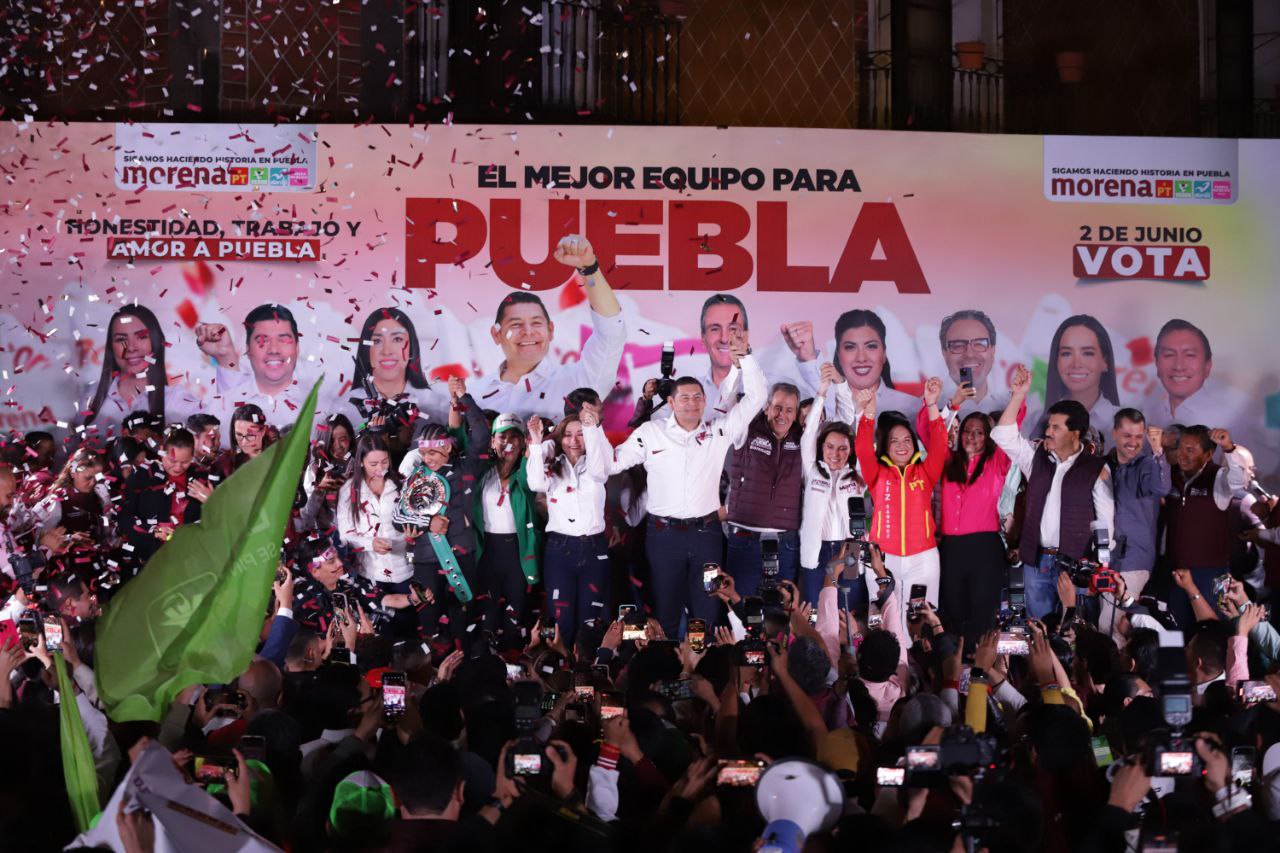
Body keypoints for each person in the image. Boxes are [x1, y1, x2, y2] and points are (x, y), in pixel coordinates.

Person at [608, 328, 765, 638]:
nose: (692, 403)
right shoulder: (651, 433)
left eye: (697, 397)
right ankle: (666, 675)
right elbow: (612, 463)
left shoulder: (718, 431)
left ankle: (701, 674)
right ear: (670, 401)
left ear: (706, 400)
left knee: (704, 614)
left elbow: (758, 397)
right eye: (684, 398)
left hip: (706, 536)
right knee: (665, 613)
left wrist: (746, 357)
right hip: (663, 537)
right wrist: (586, 432)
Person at [993, 364, 1115, 619]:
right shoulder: (1035, 458)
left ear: (1076, 434)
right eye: (1049, 426)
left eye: (1056, 428)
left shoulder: (1096, 468)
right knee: (1039, 628)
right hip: (1036, 562)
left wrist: (1099, 568)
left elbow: (1105, 522)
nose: (1048, 432)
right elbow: (1003, 435)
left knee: (1075, 631)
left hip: (1074, 565)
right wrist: (1018, 395)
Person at [471, 234, 625, 420]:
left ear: (550, 330)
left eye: (536, 323)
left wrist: (589, 267)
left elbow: (611, 332)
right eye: (516, 324)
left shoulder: (578, 381)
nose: (528, 331)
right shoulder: (475, 394)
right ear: (496, 334)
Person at [398, 378, 491, 643]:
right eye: (425, 453)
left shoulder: (466, 468)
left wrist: (464, 397)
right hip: (426, 560)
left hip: (461, 556)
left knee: (462, 620)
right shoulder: (416, 477)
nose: (429, 458)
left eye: (434, 452)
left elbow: (482, 435)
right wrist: (427, 524)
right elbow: (398, 517)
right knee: (428, 624)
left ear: (448, 447)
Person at [853, 378, 948, 624]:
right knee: (885, 620)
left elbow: (939, 446)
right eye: (894, 440)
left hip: (923, 558)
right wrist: (869, 412)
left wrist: (931, 405)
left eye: (907, 439)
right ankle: (890, 663)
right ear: (885, 445)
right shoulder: (877, 474)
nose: (902, 445)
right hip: (883, 558)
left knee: (920, 621)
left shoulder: (924, 473)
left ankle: (919, 660)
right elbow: (863, 449)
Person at [526, 405, 612, 646]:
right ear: (560, 437)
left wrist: (592, 429)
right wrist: (536, 441)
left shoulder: (597, 464)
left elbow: (600, 471)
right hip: (559, 549)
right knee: (560, 617)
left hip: (594, 548)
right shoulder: (552, 465)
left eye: (580, 434)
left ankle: (587, 668)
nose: (574, 441)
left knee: (590, 617)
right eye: (568, 434)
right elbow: (535, 483)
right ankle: (561, 669)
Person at [937, 406, 1020, 648]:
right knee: (951, 609)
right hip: (951, 549)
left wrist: (1017, 397)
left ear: (989, 437)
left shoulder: (997, 461)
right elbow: (932, 431)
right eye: (967, 431)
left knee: (983, 612)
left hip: (985, 548)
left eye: (979, 432)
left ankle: (982, 669)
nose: (972, 436)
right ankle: (953, 670)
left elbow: (1011, 428)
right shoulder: (948, 460)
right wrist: (948, 406)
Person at [1164, 425, 1251, 628]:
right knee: (1176, 632)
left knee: (1211, 633)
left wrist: (1229, 448)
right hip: (1177, 571)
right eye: (1181, 448)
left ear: (1209, 454)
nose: (1182, 455)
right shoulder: (1172, 476)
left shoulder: (1218, 477)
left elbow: (1238, 480)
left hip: (1211, 575)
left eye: (1190, 450)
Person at [724, 381, 805, 599]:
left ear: (796, 414)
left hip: (786, 542)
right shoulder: (746, 429)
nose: (782, 415)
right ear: (767, 407)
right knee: (742, 609)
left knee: (780, 616)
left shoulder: (803, 439)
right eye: (777, 407)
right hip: (744, 538)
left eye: (789, 410)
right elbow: (727, 398)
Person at [195, 303, 326, 435]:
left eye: (284, 340)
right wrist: (226, 356)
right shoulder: (220, 408)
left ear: (297, 348)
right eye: (262, 341)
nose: (274, 349)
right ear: (248, 349)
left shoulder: (321, 409)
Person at [1099, 409, 1170, 638]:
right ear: (1115, 433)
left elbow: (1161, 488)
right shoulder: (1106, 465)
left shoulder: (1147, 464)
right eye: (1127, 436)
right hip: (1107, 558)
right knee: (1104, 624)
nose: (1134, 442)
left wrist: (1158, 451)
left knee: (1116, 626)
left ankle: (1121, 673)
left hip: (1134, 559)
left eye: (1139, 437)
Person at [798, 363, 864, 607]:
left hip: (851, 549)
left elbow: (851, 423)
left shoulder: (857, 474)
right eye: (830, 447)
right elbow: (809, 433)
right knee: (815, 612)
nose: (836, 453)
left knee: (849, 611)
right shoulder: (812, 469)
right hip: (816, 549)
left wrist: (841, 384)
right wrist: (822, 391)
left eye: (843, 448)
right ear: (821, 447)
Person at [81, 305, 198, 437]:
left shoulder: (177, 401)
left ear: (155, 341)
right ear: (111, 348)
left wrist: (224, 358)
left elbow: (219, 437)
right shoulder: (88, 399)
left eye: (142, 337)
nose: (131, 347)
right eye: (121, 339)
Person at [340, 305, 452, 432]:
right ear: (366, 349)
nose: (387, 351)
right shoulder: (345, 408)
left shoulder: (437, 405)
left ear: (411, 347)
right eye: (377, 341)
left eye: (397, 339)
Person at [117, 428, 213, 570]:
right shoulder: (142, 475)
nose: (178, 467)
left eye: (185, 462)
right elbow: (124, 518)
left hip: (191, 557)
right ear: (162, 451)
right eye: (172, 460)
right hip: (151, 560)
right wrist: (153, 531)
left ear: (193, 456)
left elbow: (219, 521)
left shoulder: (201, 478)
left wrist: (211, 501)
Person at [337, 432, 411, 591]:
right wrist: (370, 544)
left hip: (407, 568)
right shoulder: (349, 491)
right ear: (361, 462)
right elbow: (344, 535)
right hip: (371, 572)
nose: (380, 468)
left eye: (385, 462)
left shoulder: (401, 484)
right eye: (373, 464)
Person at [1146, 318, 1250, 428]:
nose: (1178, 366)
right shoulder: (1148, 416)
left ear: (1207, 366)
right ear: (1157, 364)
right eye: (1169, 355)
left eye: (1190, 355)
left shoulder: (1231, 422)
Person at [1030, 314, 1121, 439]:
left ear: (1105, 362)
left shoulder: (1124, 424)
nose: (1076, 364)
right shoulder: (1034, 422)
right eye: (1066, 353)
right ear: (1056, 361)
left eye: (1088, 353)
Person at [825, 309, 919, 427]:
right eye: (850, 347)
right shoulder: (824, 404)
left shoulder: (911, 406)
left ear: (884, 353)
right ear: (838, 355)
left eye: (871, 346)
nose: (861, 358)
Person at [934, 309, 1009, 423]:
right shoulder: (927, 408)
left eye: (979, 344)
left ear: (993, 350)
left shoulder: (1008, 406)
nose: (969, 354)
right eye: (958, 345)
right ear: (944, 352)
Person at [299, 414, 354, 536]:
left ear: (350, 438)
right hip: (329, 538)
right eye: (332, 440)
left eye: (343, 439)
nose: (338, 446)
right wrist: (320, 489)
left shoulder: (361, 464)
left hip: (360, 535)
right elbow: (307, 517)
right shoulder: (315, 469)